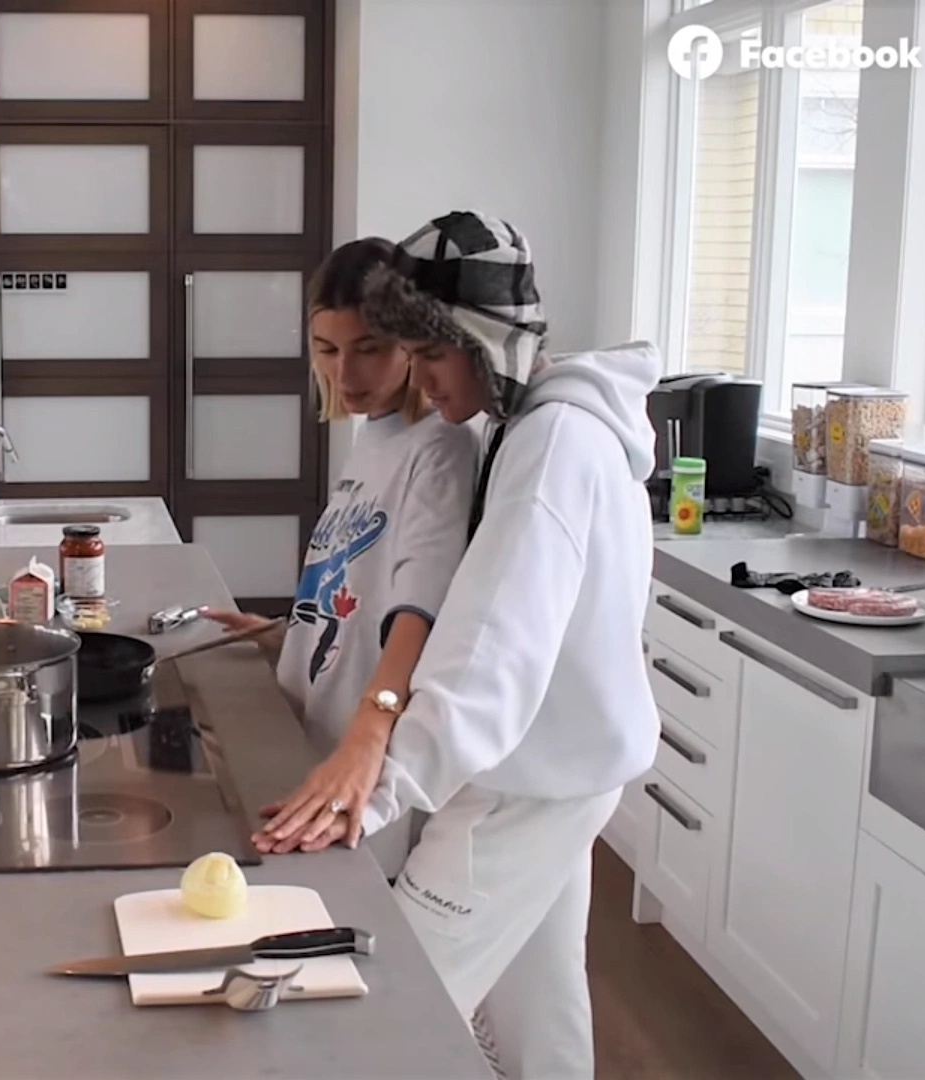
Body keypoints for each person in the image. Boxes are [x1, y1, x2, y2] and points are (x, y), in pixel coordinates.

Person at [255, 211, 661, 1080]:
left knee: (395, 1019)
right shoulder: (531, 426)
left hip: (528, 784)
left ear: (488, 343)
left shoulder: (553, 446)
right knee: (540, 1018)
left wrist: (375, 785)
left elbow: (492, 650)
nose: (424, 379)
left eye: (433, 354)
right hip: (553, 767)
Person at [204, 237, 479, 880]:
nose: (345, 374)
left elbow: (420, 610)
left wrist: (371, 731)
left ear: (409, 345)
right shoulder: (374, 439)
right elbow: (360, 587)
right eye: (326, 350)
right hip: (314, 741)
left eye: (369, 349)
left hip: (361, 766)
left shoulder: (439, 449)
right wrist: (292, 637)